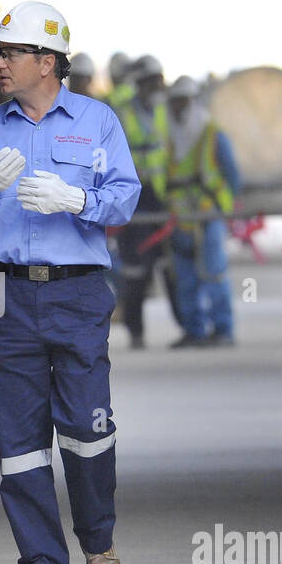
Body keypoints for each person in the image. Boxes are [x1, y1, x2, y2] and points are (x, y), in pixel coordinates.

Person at [0, 0, 140, 564]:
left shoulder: (97, 121)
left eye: (10, 52)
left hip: (77, 291)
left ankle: (98, 540)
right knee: (19, 438)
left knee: (87, 424)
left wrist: (77, 200)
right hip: (5, 295)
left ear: (48, 61)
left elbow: (125, 198)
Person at [163, 75, 242, 348]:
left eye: (182, 101)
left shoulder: (211, 133)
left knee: (213, 273)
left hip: (208, 215)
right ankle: (194, 329)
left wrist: (225, 209)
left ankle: (223, 329)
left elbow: (232, 175)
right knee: (185, 278)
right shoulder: (171, 136)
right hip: (181, 217)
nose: (178, 107)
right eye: (174, 102)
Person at [113, 54, 176, 348]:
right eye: (153, 81)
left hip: (162, 198)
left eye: (159, 80)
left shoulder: (166, 111)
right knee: (135, 269)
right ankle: (136, 330)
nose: (158, 86)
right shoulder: (123, 114)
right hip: (134, 198)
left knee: (170, 265)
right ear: (141, 85)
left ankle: (191, 328)